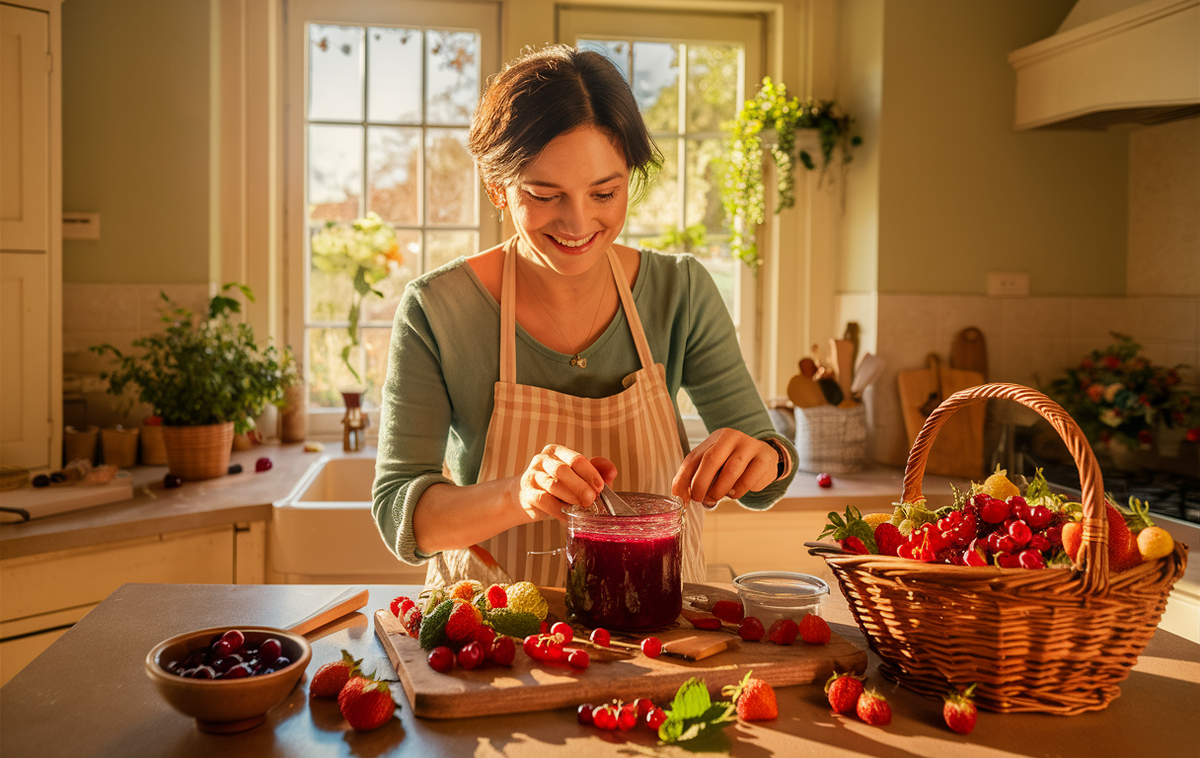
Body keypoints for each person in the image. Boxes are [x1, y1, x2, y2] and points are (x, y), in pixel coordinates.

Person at [372, 44, 797, 588]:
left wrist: (760, 458)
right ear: (496, 186)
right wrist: (517, 493)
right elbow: (399, 516)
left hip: (654, 635)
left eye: (605, 192)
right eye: (544, 194)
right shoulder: (437, 310)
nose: (578, 222)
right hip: (495, 645)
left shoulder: (680, 291)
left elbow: (768, 466)